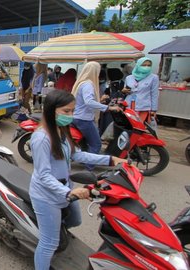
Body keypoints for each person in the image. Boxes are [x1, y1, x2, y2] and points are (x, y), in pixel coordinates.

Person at [29, 90, 126, 270]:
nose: (70, 115)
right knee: (49, 243)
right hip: (48, 195)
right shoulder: (41, 138)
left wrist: (110, 159)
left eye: (73, 111)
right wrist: (68, 192)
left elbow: (77, 155)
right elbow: (43, 175)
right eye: (66, 111)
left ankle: (54, 228)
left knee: (75, 220)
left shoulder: (61, 131)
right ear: (51, 110)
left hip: (66, 190)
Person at [71, 62, 122, 170]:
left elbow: (83, 101)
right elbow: (89, 101)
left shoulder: (81, 83)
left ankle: (85, 160)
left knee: (85, 143)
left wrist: (100, 100)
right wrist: (108, 108)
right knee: (96, 144)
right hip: (84, 119)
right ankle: (88, 169)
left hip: (77, 117)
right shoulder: (88, 84)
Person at [122, 57, 160, 123]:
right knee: (129, 125)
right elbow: (126, 90)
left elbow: (154, 94)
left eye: (149, 65)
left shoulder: (154, 77)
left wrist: (154, 109)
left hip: (143, 107)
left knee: (139, 126)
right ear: (138, 65)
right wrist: (124, 91)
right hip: (129, 106)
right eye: (144, 65)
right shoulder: (129, 77)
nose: (146, 67)